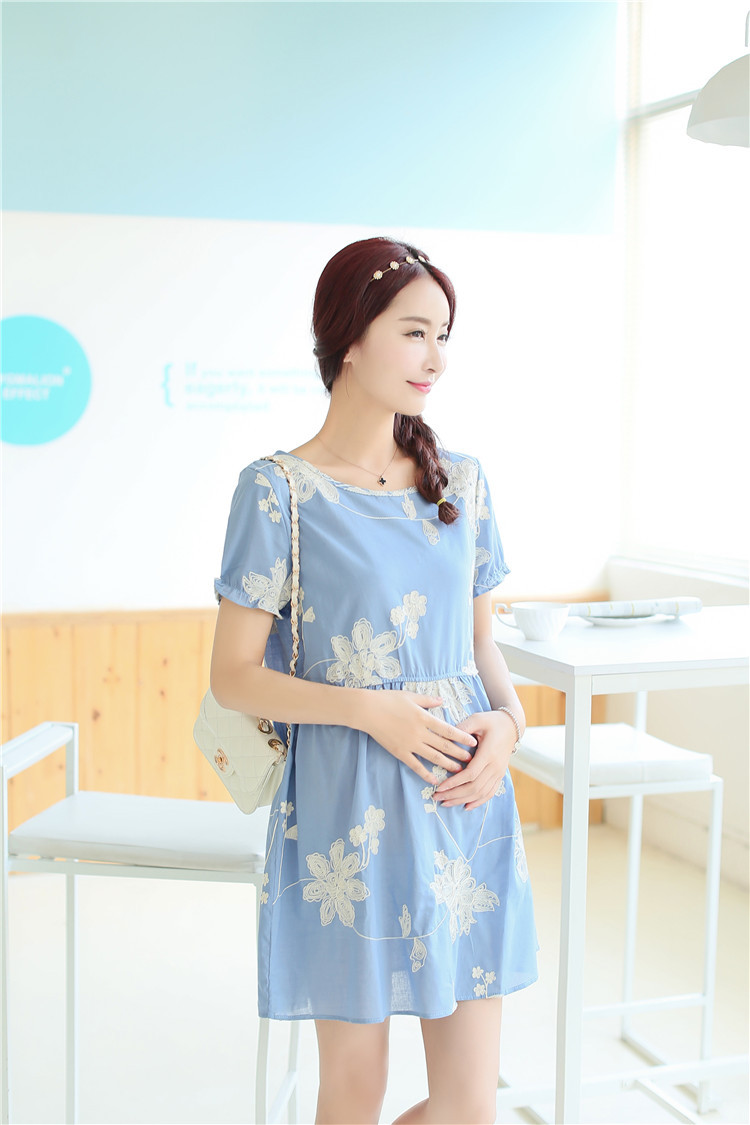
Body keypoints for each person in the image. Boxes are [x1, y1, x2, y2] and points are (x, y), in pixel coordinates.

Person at [210, 236, 538, 1125]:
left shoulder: (463, 482)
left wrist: (509, 727)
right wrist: (369, 711)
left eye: (444, 336)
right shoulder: (277, 491)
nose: (436, 357)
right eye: (415, 332)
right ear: (351, 338)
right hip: (345, 808)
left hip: (463, 799)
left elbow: (480, 648)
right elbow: (233, 676)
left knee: (469, 1106)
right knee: (354, 1093)